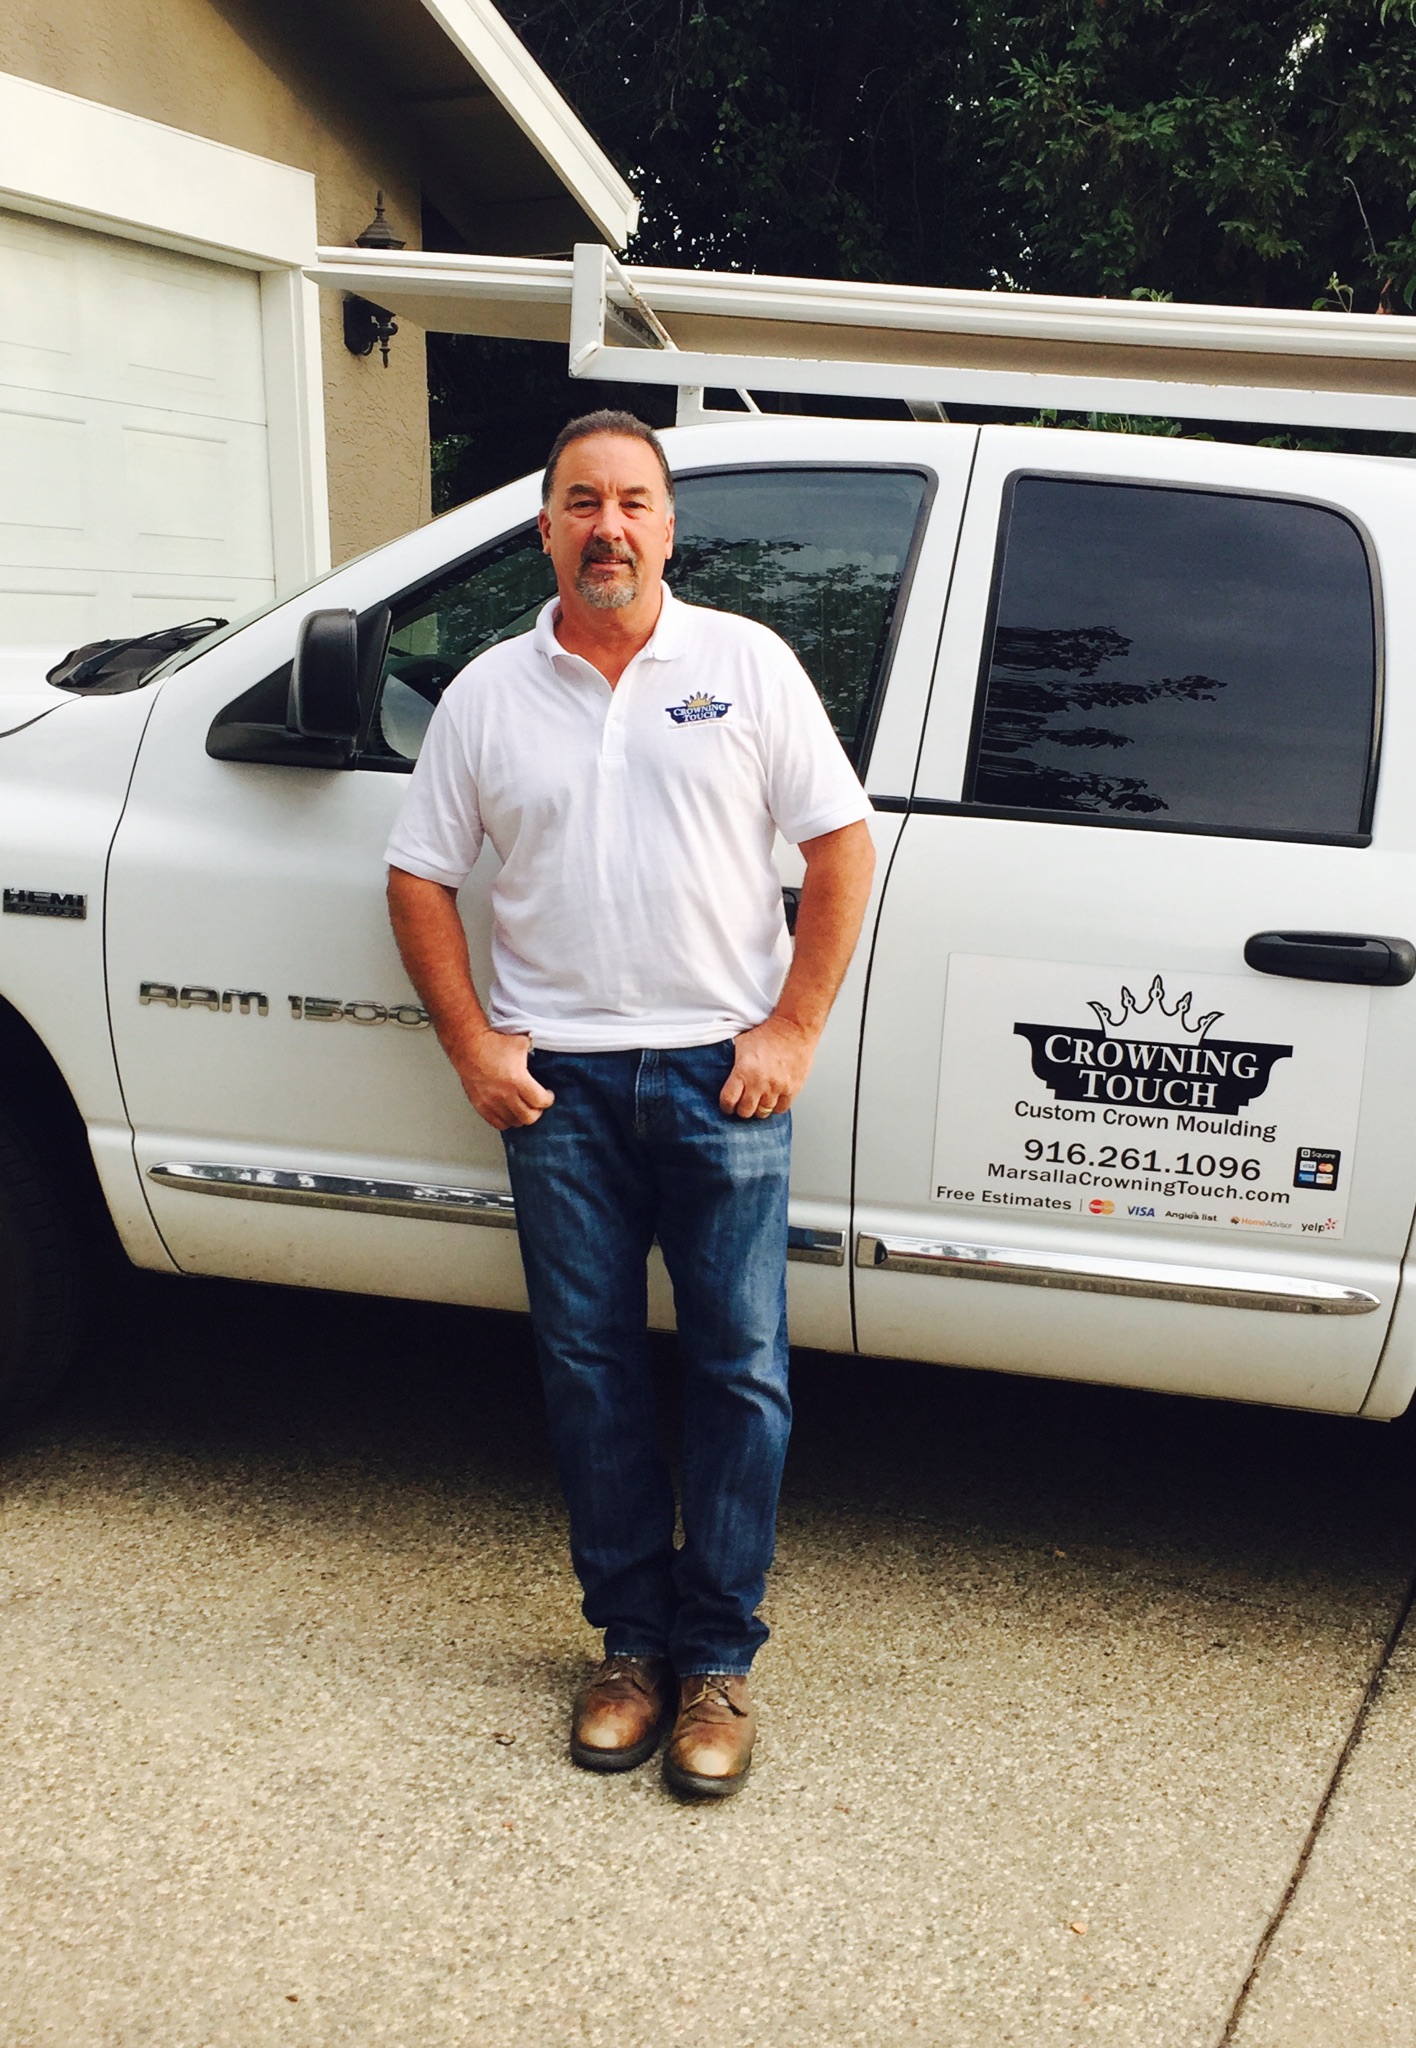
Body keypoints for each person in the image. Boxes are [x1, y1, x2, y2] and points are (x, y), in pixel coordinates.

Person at [385, 410, 876, 1799]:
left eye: (635, 502)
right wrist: (473, 1046)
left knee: (740, 1370)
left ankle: (716, 1661)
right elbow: (418, 876)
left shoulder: (746, 664)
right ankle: (629, 1649)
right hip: (562, 1091)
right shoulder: (489, 693)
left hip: (726, 1077)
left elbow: (842, 848)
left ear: (669, 526)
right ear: (545, 526)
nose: (610, 526)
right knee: (589, 1367)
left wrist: (792, 1027)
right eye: (583, 502)